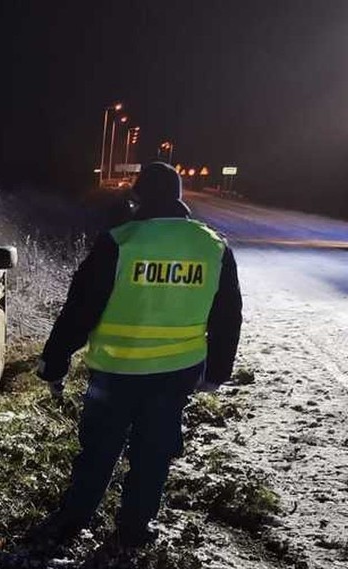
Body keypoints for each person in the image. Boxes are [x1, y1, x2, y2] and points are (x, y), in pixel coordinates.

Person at [35, 161, 243, 549]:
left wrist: (55, 360)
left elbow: (80, 310)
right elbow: (228, 315)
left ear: (137, 198)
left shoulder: (118, 242)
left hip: (115, 371)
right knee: (155, 452)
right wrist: (216, 371)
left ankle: (72, 521)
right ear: (180, 200)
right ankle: (133, 529)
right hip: (176, 372)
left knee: (99, 449)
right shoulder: (212, 245)